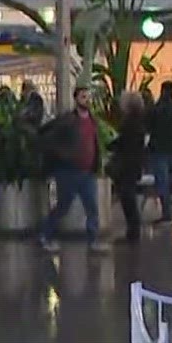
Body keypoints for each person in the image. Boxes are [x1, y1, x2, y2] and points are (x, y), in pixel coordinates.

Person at [37, 86, 103, 253]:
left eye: (88, 97)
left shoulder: (92, 121)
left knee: (92, 207)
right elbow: (46, 137)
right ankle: (45, 235)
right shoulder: (67, 120)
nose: (87, 100)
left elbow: (94, 143)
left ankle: (93, 241)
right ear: (76, 99)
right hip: (69, 172)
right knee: (63, 207)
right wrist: (64, 155)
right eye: (83, 97)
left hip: (87, 171)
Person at [110, 91, 148, 244]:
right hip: (134, 163)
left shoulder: (129, 123)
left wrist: (112, 145)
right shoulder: (139, 121)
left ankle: (133, 232)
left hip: (127, 164)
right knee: (128, 196)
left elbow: (125, 142)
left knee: (127, 196)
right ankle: (133, 231)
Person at [148, 80, 172, 224]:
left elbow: (149, 125)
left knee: (162, 182)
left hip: (159, 150)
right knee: (171, 178)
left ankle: (167, 214)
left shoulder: (158, 108)